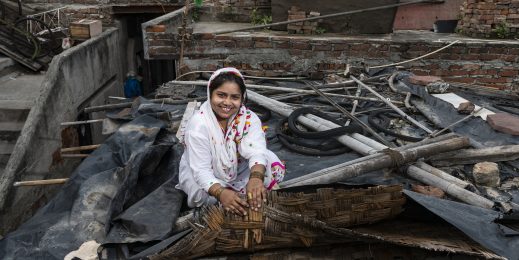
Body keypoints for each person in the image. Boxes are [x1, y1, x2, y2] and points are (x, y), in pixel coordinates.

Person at [177, 67, 285, 216]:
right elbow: (201, 170)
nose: (227, 103)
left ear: (242, 98)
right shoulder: (198, 125)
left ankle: (244, 189)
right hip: (207, 171)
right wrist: (221, 193)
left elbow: (257, 151)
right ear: (210, 94)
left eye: (234, 97)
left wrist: (255, 178)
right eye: (221, 95)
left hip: (237, 168)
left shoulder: (248, 118)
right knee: (200, 193)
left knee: (267, 163)